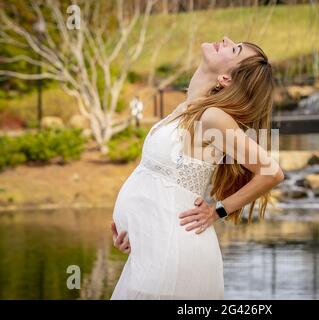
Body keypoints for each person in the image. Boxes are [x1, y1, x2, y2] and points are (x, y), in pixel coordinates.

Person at [110, 36, 284, 299]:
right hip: (153, 252)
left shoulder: (212, 117)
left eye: (234, 48)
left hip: (176, 254)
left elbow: (271, 172)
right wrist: (137, 232)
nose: (225, 39)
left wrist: (218, 211)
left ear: (226, 79)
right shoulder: (186, 108)